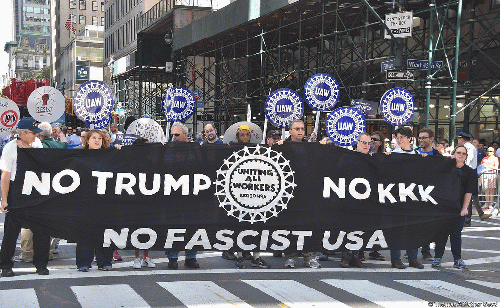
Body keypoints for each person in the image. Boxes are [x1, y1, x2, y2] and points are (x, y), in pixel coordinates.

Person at [0, 117, 51, 277]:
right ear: (22, 133)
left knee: (41, 228)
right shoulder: (9, 148)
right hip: (17, 189)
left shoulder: (37, 144)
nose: (36, 136)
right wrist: (4, 199)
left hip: (35, 187)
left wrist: (28, 149)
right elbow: (5, 176)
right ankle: (6, 265)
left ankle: (41, 264)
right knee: (11, 230)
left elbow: (42, 165)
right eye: (33, 133)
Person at [278, 120, 322, 269]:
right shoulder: (283, 146)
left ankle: (310, 256)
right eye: (297, 129)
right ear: (290, 131)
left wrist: (322, 148)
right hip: (290, 192)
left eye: (302, 128)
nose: (300, 131)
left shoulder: (310, 147)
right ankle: (291, 256)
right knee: (291, 224)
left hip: (308, 191)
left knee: (310, 223)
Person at [385, 127, 424, 269]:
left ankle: (413, 258)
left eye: (402, 137)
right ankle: (396, 259)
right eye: (398, 137)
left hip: (412, 197)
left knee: (413, 229)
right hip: (396, 197)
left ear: (409, 138)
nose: (399, 140)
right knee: (397, 228)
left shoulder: (417, 155)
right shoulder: (394, 154)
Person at [75, 130, 114, 272]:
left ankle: (105, 261)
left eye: (100, 138)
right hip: (85, 200)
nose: (97, 141)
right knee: (85, 231)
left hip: (105, 200)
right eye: (93, 138)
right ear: (87, 140)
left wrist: (120, 150)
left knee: (104, 231)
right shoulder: (79, 156)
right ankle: (84, 262)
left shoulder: (110, 156)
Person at [432, 146, 475, 269]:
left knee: (456, 234)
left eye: (463, 153)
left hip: (459, 207)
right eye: (458, 152)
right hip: (444, 206)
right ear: (454, 153)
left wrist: (464, 208)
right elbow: (433, 168)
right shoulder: (446, 168)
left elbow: (469, 192)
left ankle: (457, 259)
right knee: (441, 233)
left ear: (466, 156)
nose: (461, 155)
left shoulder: (470, 172)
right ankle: (437, 257)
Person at [165, 122, 200, 269]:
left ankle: (191, 257)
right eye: (172, 135)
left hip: (191, 193)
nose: (173, 137)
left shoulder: (195, 149)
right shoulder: (167, 149)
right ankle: (172, 257)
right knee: (173, 225)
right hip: (173, 194)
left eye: (177, 135)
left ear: (186, 135)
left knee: (192, 225)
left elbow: (202, 165)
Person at [340, 133, 372, 268]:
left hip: (365, 200)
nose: (366, 146)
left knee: (360, 228)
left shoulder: (372, 159)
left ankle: (356, 256)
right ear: (357, 142)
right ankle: (345, 257)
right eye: (364, 143)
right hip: (349, 198)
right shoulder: (348, 157)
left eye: (369, 143)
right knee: (348, 228)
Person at [414, 128, 442, 261]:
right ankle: (411, 249)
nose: (421, 140)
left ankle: (426, 251)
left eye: (424, 137)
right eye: (420, 138)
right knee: (413, 223)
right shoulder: (413, 153)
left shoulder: (437, 156)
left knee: (427, 224)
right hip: (414, 193)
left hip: (430, 194)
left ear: (431, 139)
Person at [457, 132, 491, 225]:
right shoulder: (470, 147)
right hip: (471, 173)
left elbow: (467, 161)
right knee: (473, 195)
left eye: (459, 139)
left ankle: (467, 220)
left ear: (462, 139)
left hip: (468, 173)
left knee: (467, 196)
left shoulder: (468, 148)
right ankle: (480, 213)